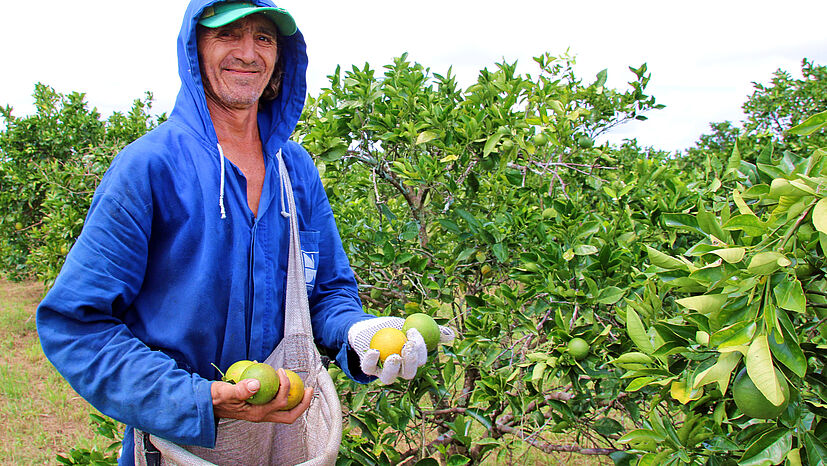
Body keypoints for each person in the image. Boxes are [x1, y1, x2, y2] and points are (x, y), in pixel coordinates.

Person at [35, 1, 453, 464]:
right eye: (227, 34)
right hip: (175, 450)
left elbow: (327, 291)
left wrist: (360, 333)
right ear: (195, 49)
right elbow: (77, 325)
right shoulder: (150, 168)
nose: (248, 52)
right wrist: (197, 398)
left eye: (264, 37)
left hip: (281, 444)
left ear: (280, 58)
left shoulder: (295, 171)